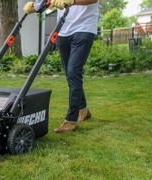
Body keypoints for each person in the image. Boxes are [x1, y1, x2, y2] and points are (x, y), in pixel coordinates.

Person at [24, 0, 99, 133]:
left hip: (84, 28)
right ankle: (83, 110)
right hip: (63, 30)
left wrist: (72, 0)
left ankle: (71, 120)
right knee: (70, 74)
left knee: (73, 71)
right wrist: (34, 6)